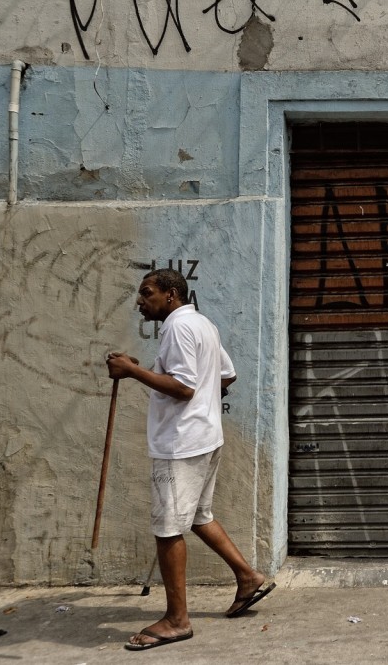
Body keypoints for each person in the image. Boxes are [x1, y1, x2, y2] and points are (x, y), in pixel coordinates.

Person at [107, 268, 275, 651]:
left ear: (170, 294)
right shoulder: (201, 323)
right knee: (199, 515)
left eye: (146, 293)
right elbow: (225, 375)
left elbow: (184, 387)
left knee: (168, 530)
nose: (139, 301)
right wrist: (191, 396)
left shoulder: (178, 328)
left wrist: (132, 372)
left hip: (181, 445)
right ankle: (247, 577)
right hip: (204, 437)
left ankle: (177, 620)